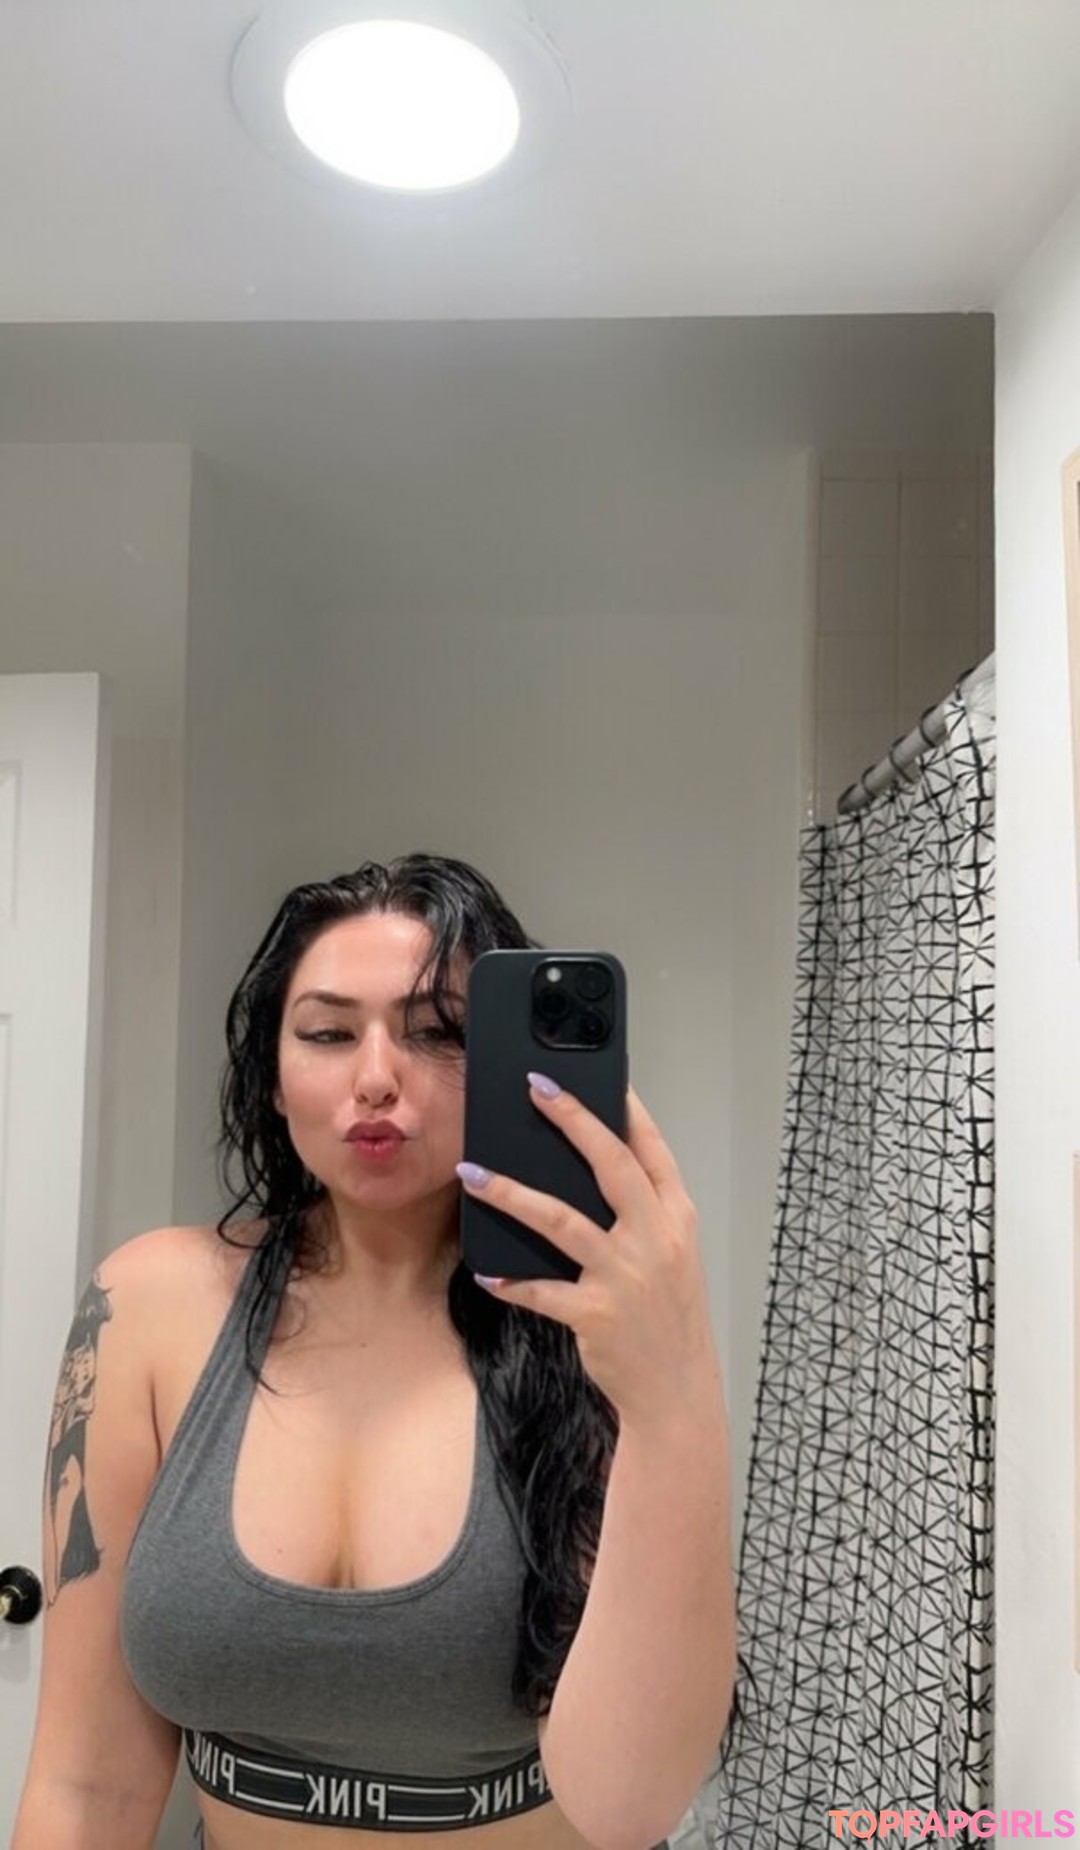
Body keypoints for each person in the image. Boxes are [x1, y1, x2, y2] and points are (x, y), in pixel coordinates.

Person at [13, 852, 738, 1850]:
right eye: (327, 1032)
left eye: (436, 1031)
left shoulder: (595, 1324)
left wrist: (671, 1386)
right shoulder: (147, 1305)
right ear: (273, 1078)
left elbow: (631, 1803)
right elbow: (86, 1785)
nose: (376, 1078)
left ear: (504, 1063)